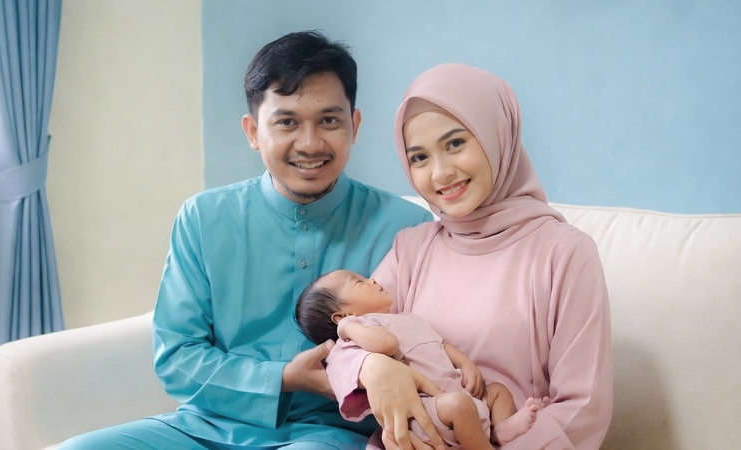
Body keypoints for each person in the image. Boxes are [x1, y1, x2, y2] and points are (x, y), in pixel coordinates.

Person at [58, 30, 435, 450]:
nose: (310, 143)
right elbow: (177, 358)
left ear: (355, 126)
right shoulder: (203, 218)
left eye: (329, 120)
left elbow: (431, 346)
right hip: (206, 427)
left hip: (333, 433)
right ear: (253, 131)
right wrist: (283, 378)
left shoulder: (408, 227)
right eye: (286, 122)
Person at [332, 63, 613, 450]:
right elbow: (343, 344)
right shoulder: (411, 248)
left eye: (455, 144)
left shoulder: (565, 253)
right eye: (419, 158)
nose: (440, 174)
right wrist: (371, 366)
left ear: (497, 136)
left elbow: (581, 410)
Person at [295, 269, 543, 449]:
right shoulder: (356, 336)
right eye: (359, 282)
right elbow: (386, 345)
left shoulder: (408, 318)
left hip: (459, 394)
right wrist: (349, 327)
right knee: (459, 406)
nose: (372, 279)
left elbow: (441, 344)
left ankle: (499, 430)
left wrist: (465, 363)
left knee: (498, 391)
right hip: (428, 410)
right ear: (341, 316)